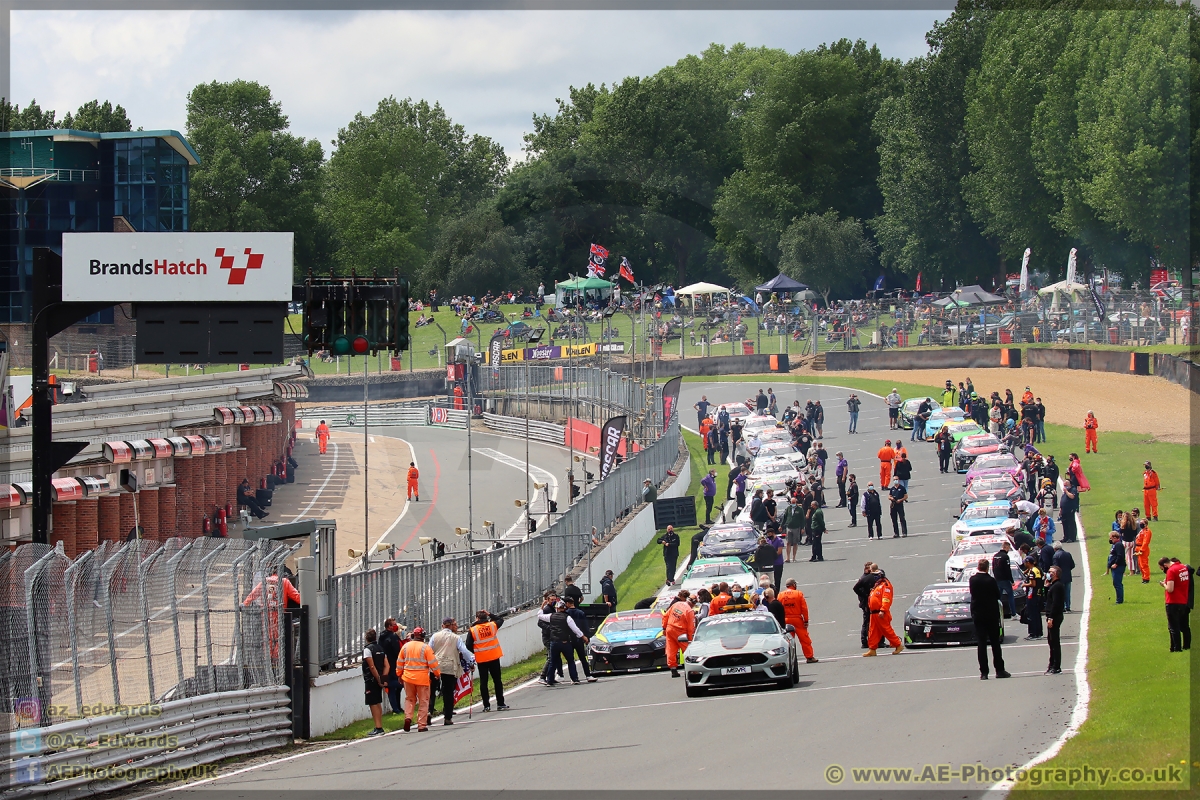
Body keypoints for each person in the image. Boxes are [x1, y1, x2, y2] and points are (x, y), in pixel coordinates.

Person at [969, 560, 1010, 680]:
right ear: (988, 568)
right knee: (995, 643)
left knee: (981, 644)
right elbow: (997, 595)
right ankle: (999, 670)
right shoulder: (991, 580)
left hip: (978, 614)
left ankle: (984, 672)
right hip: (991, 614)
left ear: (978, 567)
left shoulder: (973, 580)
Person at [430, 618, 474, 726]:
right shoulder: (456, 638)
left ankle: (428, 712)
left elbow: (429, 650)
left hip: (435, 665)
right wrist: (471, 663)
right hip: (450, 666)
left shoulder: (435, 636)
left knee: (431, 692)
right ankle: (448, 717)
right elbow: (464, 651)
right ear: (451, 626)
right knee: (448, 692)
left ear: (442, 625)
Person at [466, 609, 509, 711]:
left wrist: (476, 651)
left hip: (482, 659)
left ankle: (486, 705)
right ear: (486, 617)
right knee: (497, 681)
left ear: (477, 618)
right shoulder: (492, 625)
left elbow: (468, 645)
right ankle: (500, 703)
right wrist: (490, 613)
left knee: (483, 682)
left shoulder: (473, 630)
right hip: (494, 657)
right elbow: (500, 619)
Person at [398, 627, 439, 732]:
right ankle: (421, 725)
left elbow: (399, 663)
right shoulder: (426, 648)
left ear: (413, 636)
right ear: (423, 636)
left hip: (407, 678)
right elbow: (433, 663)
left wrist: (399, 675)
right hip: (422, 679)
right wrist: (437, 674)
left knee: (410, 699)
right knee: (423, 701)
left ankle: (408, 717)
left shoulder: (405, 647)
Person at [538, 600, 585, 685]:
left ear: (557, 608)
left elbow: (540, 616)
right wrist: (583, 636)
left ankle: (549, 680)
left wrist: (542, 606)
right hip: (564, 642)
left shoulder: (551, 616)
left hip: (554, 642)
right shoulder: (567, 617)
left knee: (552, 661)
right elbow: (575, 629)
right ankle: (574, 679)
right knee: (570, 661)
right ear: (564, 608)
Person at [864, 568, 904, 656]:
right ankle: (872, 649)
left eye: (875, 576)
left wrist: (882, 610)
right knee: (872, 631)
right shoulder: (877, 585)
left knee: (886, 630)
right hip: (873, 613)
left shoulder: (886, 585)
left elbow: (886, 599)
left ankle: (898, 645)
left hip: (881, 613)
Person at [779, 579, 818, 663]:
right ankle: (809, 657)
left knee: (787, 641)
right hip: (797, 620)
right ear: (793, 585)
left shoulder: (780, 595)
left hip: (786, 620)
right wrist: (806, 620)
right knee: (804, 639)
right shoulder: (798, 594)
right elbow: (804, 608)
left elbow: (779, 608)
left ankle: (788, 659)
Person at [1159, 557, 1193, 652]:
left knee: (1173, 627)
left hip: (1173, 602)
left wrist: (1164, 584)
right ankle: (1187, 646)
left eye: (1162, 568)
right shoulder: (1183, 567)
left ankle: (1176, 648)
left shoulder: (1171, 571)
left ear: (1165, 565)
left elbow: (1170, 589)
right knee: (1185, 625)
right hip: (1183, 601)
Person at [661, 589, 696, 677]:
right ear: (693, 603)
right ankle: (692, 668)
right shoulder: (689, 611)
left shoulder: (676, 604)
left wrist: (664, 628)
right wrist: (690, 639)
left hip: (670, 629)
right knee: (688, 650)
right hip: (681, 632)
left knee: (670, 649)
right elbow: (690, 627)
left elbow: (665, 616)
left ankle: (673, 669)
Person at [362, 628, 390, 736]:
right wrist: (383, 679)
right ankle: (379, 726)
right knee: (378, 702)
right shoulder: (381, 648)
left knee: (373, 703)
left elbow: (372, 666)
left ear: (366, 638)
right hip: (379, 679)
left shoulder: (367, 650)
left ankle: (378, 727)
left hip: (371, 679)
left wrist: (378, 679)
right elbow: (387, 666)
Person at [564, 597, 598, 682]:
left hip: (569, 639)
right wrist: (587, 637)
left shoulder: (566, 614)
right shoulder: (580, 613)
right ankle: (588, 675)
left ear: (567, 604)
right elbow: (585, 626)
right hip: (580, 638)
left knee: (570, 660)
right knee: (583, 658)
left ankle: (574, 678)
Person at [379, 618, 405, 716]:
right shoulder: (393, 637)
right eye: (393, 624)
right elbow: (398, 652)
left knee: (393, 688)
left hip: (385, 665)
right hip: (394, 665)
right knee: (397, 686)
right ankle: (396, 708)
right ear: (389, 626)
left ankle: (397, 708)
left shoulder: (381, 636)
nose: (396, 626)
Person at [1044, 566, 1066, 674]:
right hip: (1051, 616)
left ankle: (1056, 665)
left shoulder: (1057, 586)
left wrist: (1051, 617)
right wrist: (1046, 587)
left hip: (1054, 617)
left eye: (1051, 572)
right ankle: (1052, 663)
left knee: (1054, 642)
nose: (1048, 573)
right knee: (1051, 641)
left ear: (1056, 574)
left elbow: (1056, 604)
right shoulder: (1053, 586)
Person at [853, 563, 881, 648]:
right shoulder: (865, 579)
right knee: (868, 622)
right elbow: (856, 589)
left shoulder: (868, 578)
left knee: (870, 621)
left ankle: (870, 641)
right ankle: (865, 641)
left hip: (867, 602)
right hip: (866, 603)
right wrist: (866, 596)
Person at [1020, 557, 1045, 639]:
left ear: (1028, 562)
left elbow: (1033, 584)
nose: (1024, 564)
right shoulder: (1036, 569)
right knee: (1036, 614)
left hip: (1032, 595)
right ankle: (1038, 632)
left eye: (1025, 562)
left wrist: (1024, 585)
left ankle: (1034, 633)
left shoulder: (1033, 571)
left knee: (1032, 614)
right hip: (1037, 594)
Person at [992, 541, 1017, 618]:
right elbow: (1007, 570)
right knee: (1010, 596)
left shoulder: (995, 556)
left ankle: (996, 614)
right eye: (1008, 548)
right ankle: (1013, 614)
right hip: (1005, 580)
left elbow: (993, 568)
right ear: (1006, 547)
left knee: (998, 598)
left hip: (997, 579)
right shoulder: (1005, 556)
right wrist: (1012, 581)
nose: (1009, 550)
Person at [1049, 542, 1075, 612]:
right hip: (1068, 576)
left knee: (1060, 593)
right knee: (1067, 592)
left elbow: (1056, 568)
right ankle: (1068, 606)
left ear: (1055, 548)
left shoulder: (1055, 556)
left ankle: (1062, 607)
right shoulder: (1068, 554)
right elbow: (1072, 565)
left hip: (1060, 578)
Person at [783, 496, 805, 562]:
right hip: (789, 527)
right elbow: (785, 517)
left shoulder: (800, 509)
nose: (793, 503)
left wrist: (802, 528)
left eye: (794, 502)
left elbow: (802, 519)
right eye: (792, 502)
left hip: (796, 528)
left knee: (795, 543)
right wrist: (781, 526)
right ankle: (788, 557)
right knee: (788, 542)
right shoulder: (788, 509)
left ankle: (794, 557)